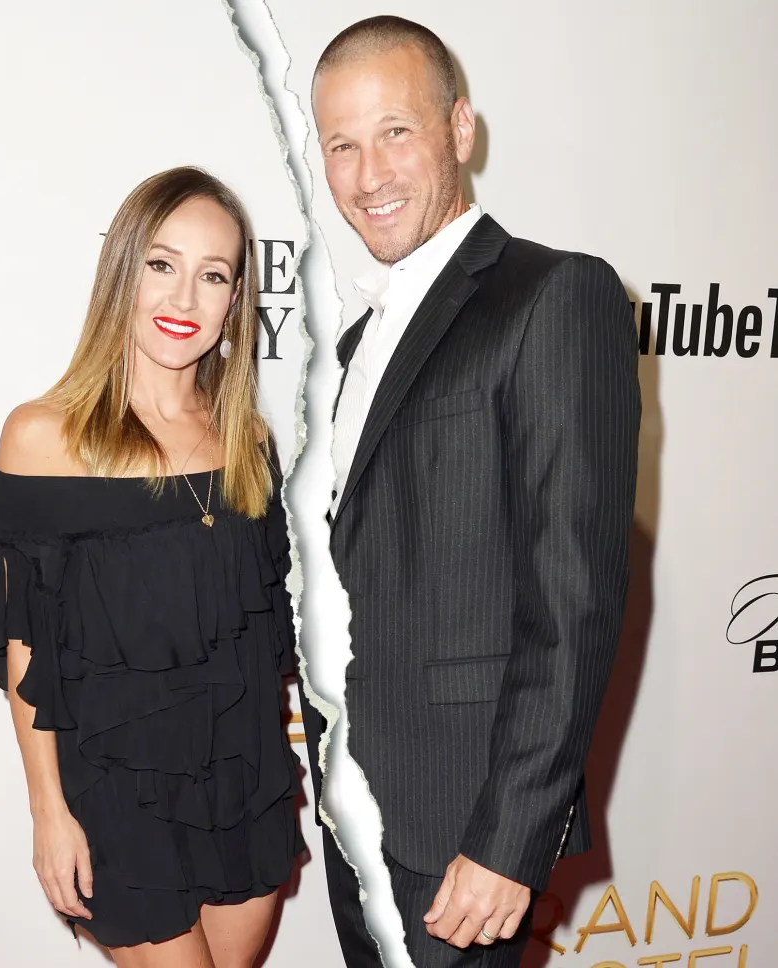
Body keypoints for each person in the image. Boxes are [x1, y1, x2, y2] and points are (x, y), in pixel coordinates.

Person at [305, 16, 641, 967]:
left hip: (463, 830)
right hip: (356, 814)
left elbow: (572, 601)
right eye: (342, 145)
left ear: (460, 129)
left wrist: (509, 841)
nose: (369, 175)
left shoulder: (553, 297)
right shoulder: (359, 346)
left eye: (395, 132)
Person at [0, 167, 303, 968]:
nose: (184, 298)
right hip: (114, 797)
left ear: (235, 301)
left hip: (241, 782)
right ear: (122, 271)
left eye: (213, 275)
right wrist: (49, 811)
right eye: (162, 265)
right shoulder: (42, 437)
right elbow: (27, 644)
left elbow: (259, 643)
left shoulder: (249, 442)